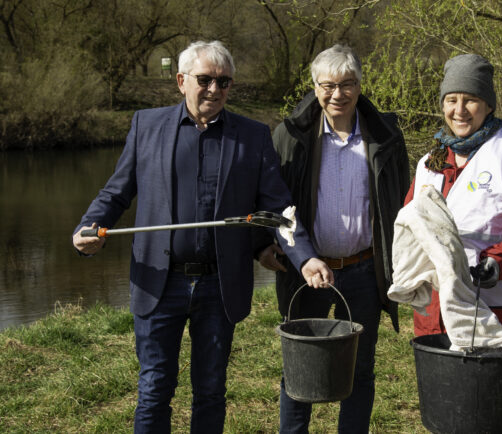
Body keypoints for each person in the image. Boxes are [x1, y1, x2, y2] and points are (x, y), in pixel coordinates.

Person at [72, 40, 333, 434]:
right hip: (159, 281)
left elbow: (280, 211)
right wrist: (89, 227)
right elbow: (116, 192)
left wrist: (306, 257)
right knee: (154, 388)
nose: (214, 89)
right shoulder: (146, 125)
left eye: (224, 82)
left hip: (218, 285)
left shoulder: (252, 136)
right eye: (205, 80)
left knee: (210, 390)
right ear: (181, 81)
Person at [254, 44, 410, 433]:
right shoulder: (289, 136)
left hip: (363, 270)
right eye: (328, 85)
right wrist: (269, 245)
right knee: (300, 370)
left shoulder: (386, 136)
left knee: (360, 369)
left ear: (360, 86)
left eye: (348, 84)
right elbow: (275, 204)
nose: (337, 94)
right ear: (314, 86)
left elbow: (403, 201)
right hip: (305, 270)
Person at [406, 54, 502, 344]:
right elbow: (410, 227)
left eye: (470, 99)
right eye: (451, 100)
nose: (459, 110)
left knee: (490, 391)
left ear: (488, 104)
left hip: (497, 313)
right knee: (439, 390)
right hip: (436, 315)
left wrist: (499, 263)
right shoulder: (429, 163)